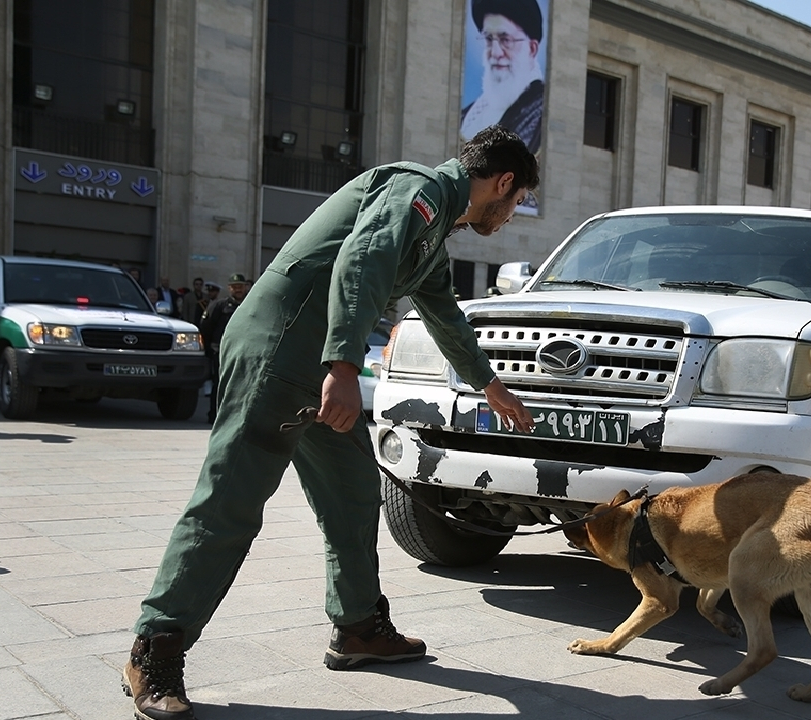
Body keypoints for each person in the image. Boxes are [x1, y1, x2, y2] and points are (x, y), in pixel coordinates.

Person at [122, 126, 540, 720]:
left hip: (318, 369)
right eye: (518, 200)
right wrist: (344, 365)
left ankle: (359, 627)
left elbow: (444, 314)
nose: (513, 213)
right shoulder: (417, 190)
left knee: (352, 491)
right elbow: (361, 259)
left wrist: (491, 387)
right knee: (231, 500)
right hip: (281, 351)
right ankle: (155, 648)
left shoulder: (433, 233)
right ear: (503, 182)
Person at [460, 0, 545, 154]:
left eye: (506, 40)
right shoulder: (469, 114)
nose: (495, 52)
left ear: (532, 49)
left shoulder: (540, 111)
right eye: (489, 39)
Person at [199, 274, 249, 424]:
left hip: (244, 351)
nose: (238, 290)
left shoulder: (250, 304)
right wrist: (211, 349)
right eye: (235, 287)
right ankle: (214, 415)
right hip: (222, 352)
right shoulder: (219, 306)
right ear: (229, 288)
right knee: (220, 383)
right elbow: (205, 327)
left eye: (240, 286)